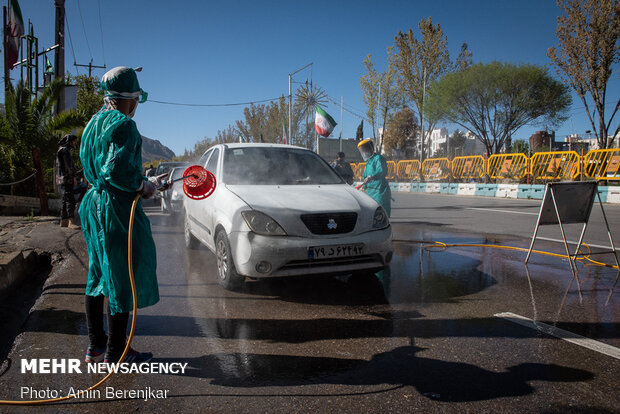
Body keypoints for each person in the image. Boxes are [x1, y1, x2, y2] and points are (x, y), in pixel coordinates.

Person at [79, 66, 166, 364]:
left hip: (94, 203)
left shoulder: (93, 123)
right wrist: (144, 186)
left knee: (98, 274)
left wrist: (141, 182)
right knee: (121, 275)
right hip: (115, 208)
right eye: (137, 100)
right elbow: (117, 171)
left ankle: (96, 346)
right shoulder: (124, 125)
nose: (137, 106)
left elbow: (101, 169)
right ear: (131, 99)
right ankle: (117, 352)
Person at [358, 139, 391, 216]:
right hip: (370, 191)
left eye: (366, 150)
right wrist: (364, 185)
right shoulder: (368, 162)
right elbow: (365, 175)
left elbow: (382, 171)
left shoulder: (378, 158)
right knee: (371, 212)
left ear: (371, 148)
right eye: (363, 151)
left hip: (379, 190)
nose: (364, 152)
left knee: (381, 211)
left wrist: (372, 177)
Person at [57, 134, 80, 228]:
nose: (75, 143)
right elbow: (68, 166)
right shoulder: (65, 151)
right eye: (74, 141)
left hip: (62, 178)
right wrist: (73, 177)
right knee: (70, 199)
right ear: (69, 141)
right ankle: (71, 221)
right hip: (67, 178)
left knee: (65, 199)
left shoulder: (60, 150)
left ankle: (64, 221)